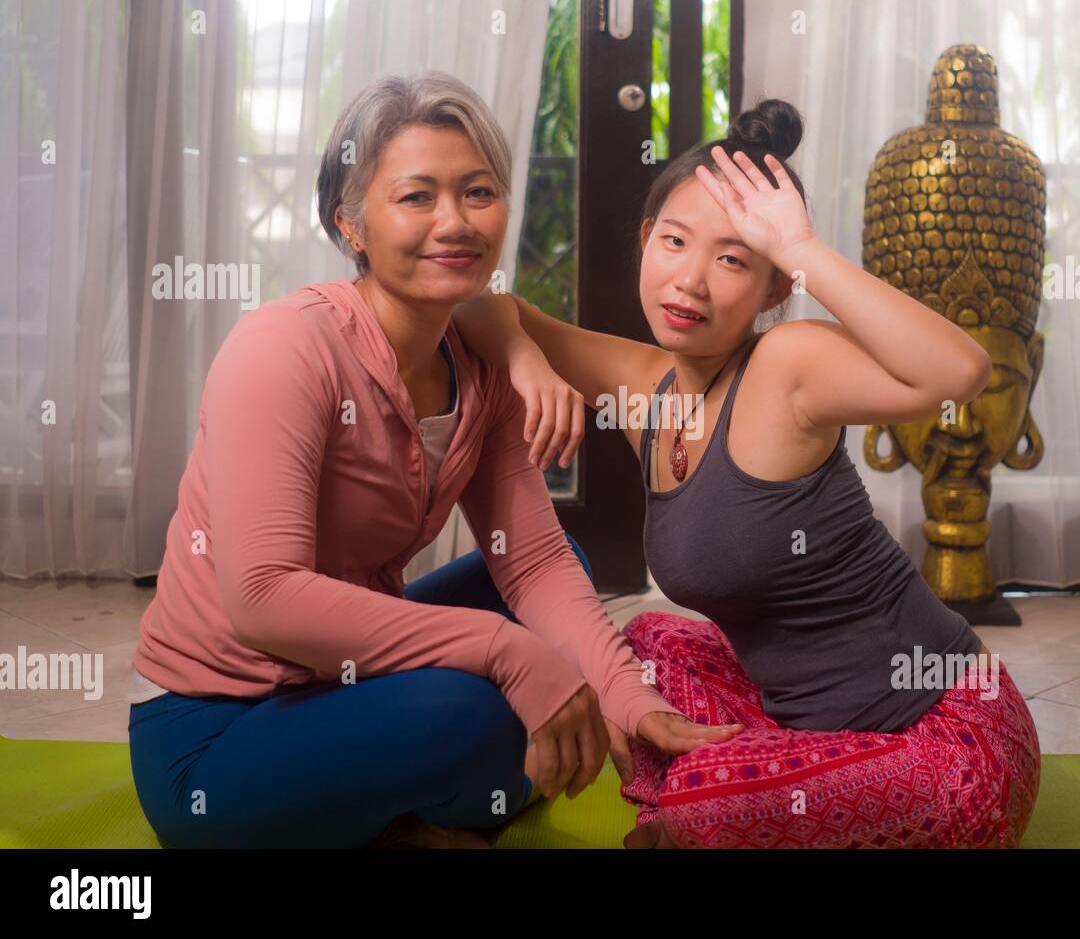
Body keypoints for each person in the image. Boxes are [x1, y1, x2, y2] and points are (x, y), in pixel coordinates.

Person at [126, 71, 739, 849]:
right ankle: (406, 810)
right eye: (417, 197)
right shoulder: (282, 350)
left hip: (347, 681)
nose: (454, 222)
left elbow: (536, 560)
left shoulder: (480, 361)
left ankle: (401, 811)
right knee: (482, 707)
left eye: (477, 192)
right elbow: (263, 595)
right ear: (351, 224)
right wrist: (508, 658)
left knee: (561, 577)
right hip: (215, 733)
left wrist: (628, 700)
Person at [452, 98, 1042, 848]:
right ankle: (751, 794)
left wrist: (803, 248)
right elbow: (479, 302)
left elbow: (961, 369)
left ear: (772, 287)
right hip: (809, 732)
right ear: (645, 241)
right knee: (648, 648)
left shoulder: (788, 366)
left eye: (732, 259)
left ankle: (717, 811)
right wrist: (525, 358)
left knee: (700, 803)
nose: (690, 280)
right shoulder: (648, 388)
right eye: (674, 241)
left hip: (949, 742)